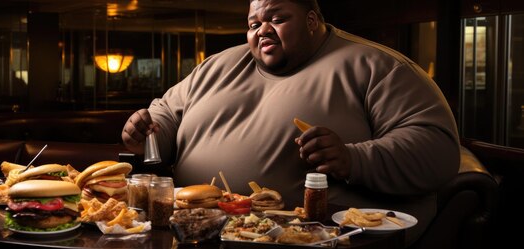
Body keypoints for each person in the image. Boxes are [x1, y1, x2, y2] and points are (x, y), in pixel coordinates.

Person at [122, 0, 459, 245]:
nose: (262, 30)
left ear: (312, 19)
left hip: (311, 238)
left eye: (277, 18)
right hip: (194, 231)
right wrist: (148, 131)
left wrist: (353, 158)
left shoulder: (378, 67)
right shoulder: (215, 66)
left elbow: (437, 148)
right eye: (254, 23)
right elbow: (165, 112)